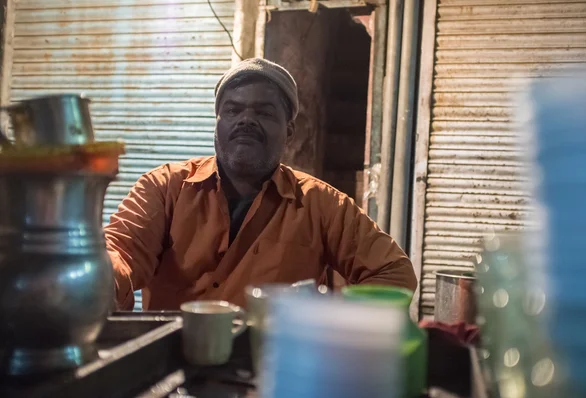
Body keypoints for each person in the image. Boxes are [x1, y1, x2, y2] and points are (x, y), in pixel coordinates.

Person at [106, 58, 417, 310]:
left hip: (274, 369)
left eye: (264, 112)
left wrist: (331, 327)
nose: (246, 120)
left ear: (289, 131)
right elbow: (120, 251)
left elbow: (393, 272)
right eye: (233, 110)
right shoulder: (164, 188)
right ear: (218, 123)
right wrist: (98, 281)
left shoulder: (322, 205)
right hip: (172, 365)